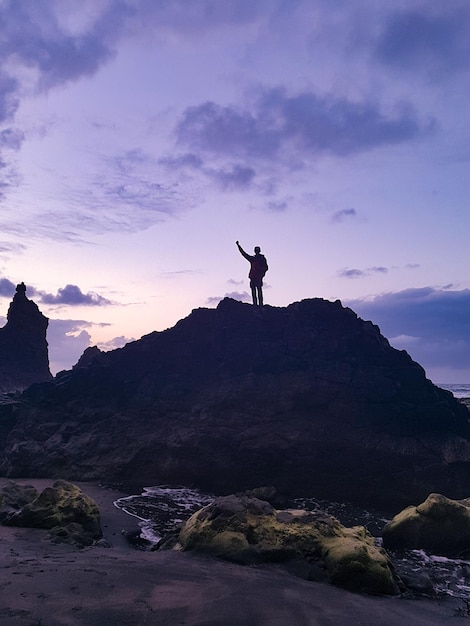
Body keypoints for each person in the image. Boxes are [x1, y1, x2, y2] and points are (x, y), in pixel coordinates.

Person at [236, 241, 268, 306]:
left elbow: (266, 268)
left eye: (257, 250)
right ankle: (255, 304)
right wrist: (239, 246)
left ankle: (260, 305)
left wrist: (260, 271)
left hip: (258, 277)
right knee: (254, 291)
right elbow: (244, 254)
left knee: (259, 291)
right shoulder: (253, 259)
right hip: (253, 277)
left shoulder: (262, 259)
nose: (256, 251)